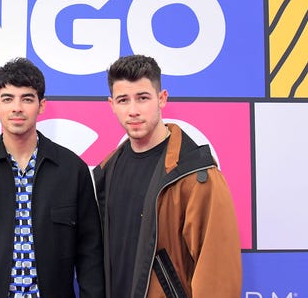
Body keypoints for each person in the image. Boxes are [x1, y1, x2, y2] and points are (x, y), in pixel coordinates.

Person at [0, 57, 105, 298]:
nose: (17, 108)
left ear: (41, 105)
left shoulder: (72, 170)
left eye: (27, 99)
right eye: (7, 99)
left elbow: (90, 255)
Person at [93, 55, 242, 298]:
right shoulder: (107, 171)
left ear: (162, 98)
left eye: (143, 98)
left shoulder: (196, 174)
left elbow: (218, 272)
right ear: (111, 105)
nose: (133, 111)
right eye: (123, 100)